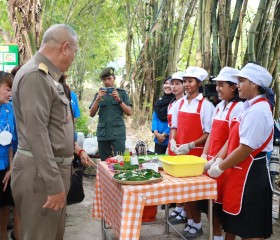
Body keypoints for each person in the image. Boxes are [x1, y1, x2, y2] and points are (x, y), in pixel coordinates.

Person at [11, 24, 78, 240]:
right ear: (65, 47)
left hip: (46, 172)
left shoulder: (48, 76)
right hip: (41, 176)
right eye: (74, 52)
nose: (73, 58)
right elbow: (37, 134)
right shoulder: (35, 76)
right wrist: (53, 183)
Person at [207, 63, 274, 240]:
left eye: (242, 81)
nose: (238, 85)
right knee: (234, 223)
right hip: (237, 172)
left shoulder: (259, 111)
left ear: (254, 84)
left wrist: (220, 167)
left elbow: (245, 149)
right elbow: (232, 139)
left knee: (251, 230)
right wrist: (216, 159)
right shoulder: (247, 107)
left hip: (252, 176)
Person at [170, 66, 214, 238]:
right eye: (185, 81)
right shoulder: (178, 103)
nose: (186, 85)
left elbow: (209, 133)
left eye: (190, 81)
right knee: (182, 191)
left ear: (198, 83)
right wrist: (173, 140)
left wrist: (190, 145)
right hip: (179, 153)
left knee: (193, 193)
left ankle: (197, 223)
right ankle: (190, 221)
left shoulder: (206, 106)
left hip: (194, 155)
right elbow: (174, 126)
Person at [201, 67, 243, 240]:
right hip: (212, 163)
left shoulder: (239, 107)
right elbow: (211, 134)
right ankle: (216, 236)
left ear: (233, 87)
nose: (217, 89)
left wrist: (218, 160)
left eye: (221, 85)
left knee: (227, 207)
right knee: (212, 206)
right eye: (217, 85)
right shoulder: (218, 107)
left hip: (226, 165)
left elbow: (231, 139)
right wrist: (204, 155)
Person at [89, 67, 132, 161]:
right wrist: (97, 99)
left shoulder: (122, 93)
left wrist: (119, 100)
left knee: (120, 161)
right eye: (104, 79)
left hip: (118, 133)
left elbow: (129, 112)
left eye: (109, 78)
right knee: (105, 162)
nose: (107, 82)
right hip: (103, 133)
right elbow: (91, 114)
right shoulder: (98, 95)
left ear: (114, 78)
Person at [0, 71, 17, 240]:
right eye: (7, 89)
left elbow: (10, 141)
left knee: (4, 203)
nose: (10, 93)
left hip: (5, 167)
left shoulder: (9, 109)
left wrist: (11, 168)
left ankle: (3, 233)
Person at [151, 76, 174, 154]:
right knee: (157, 162)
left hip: (171, 137)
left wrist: (164, 134)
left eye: (171, 84)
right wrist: (156, 133)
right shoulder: (160, 101)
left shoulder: (176, 101)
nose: (167, 86)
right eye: (166, 83)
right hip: (158, 137)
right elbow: (155, 118)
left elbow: (174, 121)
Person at [167, 71, 185, 155]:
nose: (174, 87)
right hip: (172, 140)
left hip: (183, 140)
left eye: (177, 84)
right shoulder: (171, 104)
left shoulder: (186, 104)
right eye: (172, 84)